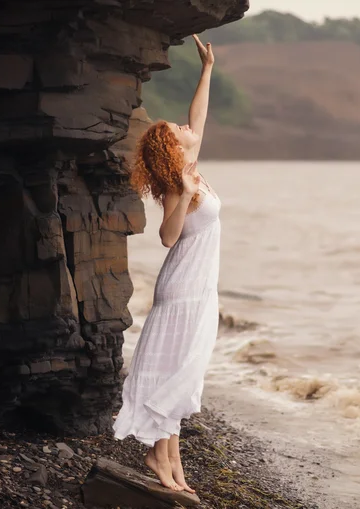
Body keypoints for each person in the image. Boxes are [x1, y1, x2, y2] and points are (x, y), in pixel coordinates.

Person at [113, 34, 219, 494]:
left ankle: (171, 457)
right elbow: (167, 236)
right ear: (172, 148)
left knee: (184, 370)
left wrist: (207, 69)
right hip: (182, 287)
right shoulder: (180, 181)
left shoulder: (188, 166)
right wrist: (186, 192)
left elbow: (199, 116)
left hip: (200, 285)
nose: (185, 125)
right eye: (177, 129)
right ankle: (159, 456)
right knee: (177, 369)